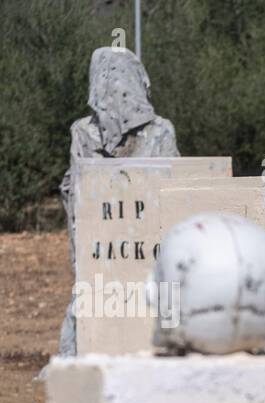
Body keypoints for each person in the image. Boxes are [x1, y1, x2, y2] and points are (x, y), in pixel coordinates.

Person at [55, 46, 179, 358]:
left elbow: (174, 191)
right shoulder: (82, 132)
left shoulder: (161, 131)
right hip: (103, 247)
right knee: (91, 299)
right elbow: (77, 194)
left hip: (150, 248)